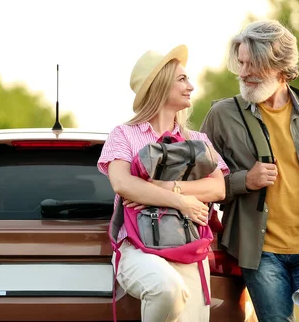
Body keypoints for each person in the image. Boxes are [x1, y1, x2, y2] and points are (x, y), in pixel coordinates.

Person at [200, 21, 299, 322]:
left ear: (281, 68)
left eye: (253, 64)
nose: (243, 72)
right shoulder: (222, 115)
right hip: (259, 257)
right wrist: (243, 181)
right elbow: (198, 183)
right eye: (241, 62)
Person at [97, 44, 229, 322]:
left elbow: (217, 188)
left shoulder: (198, 141)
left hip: (190, 250)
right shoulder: (124, 135)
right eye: (182, 79)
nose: (190, 86)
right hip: (137, 247)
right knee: (166, 289)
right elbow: (122, 184)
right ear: (159, 86)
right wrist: (181, 201)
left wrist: (163, 188)